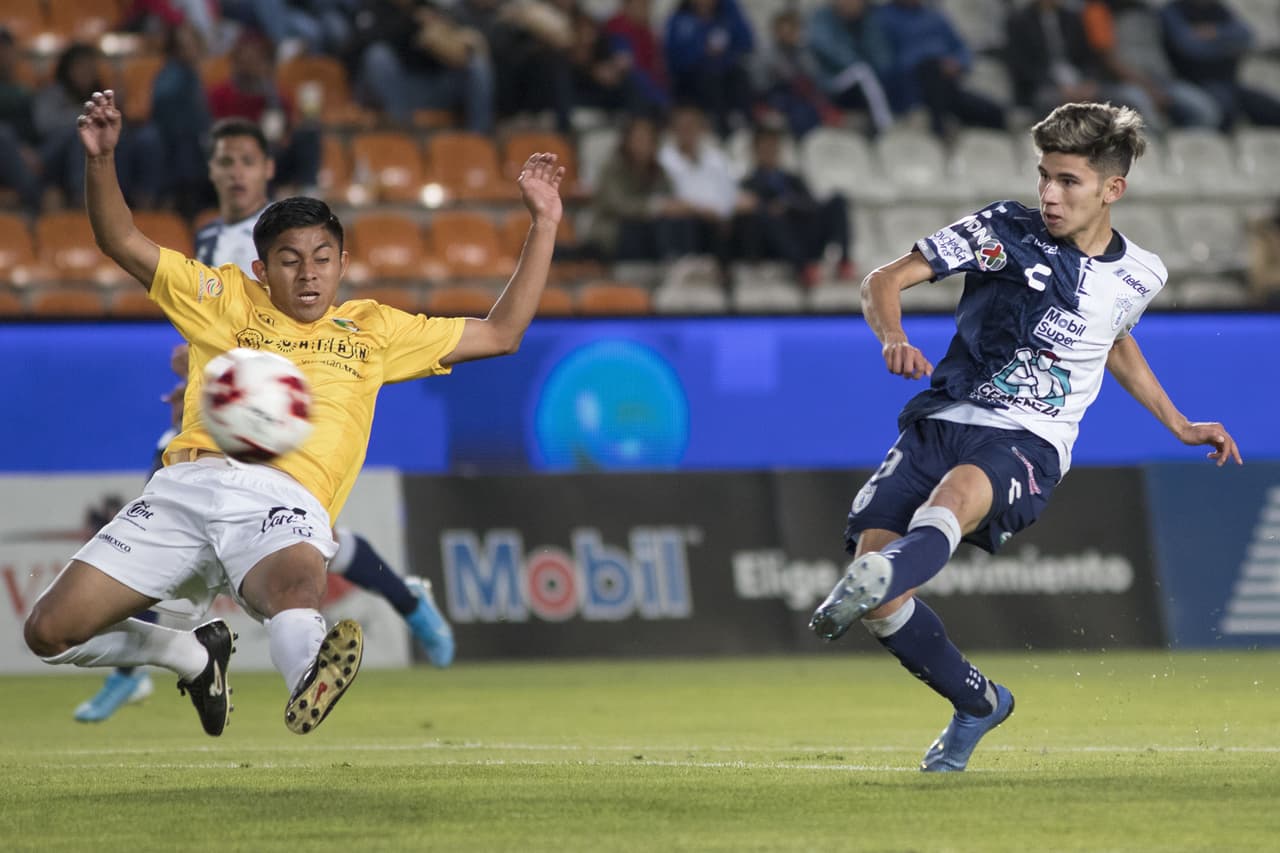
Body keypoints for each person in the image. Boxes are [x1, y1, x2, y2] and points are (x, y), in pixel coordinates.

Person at [25, 89, 564, 737]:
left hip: (284, 495)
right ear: (261, 267)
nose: (309, 275)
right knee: (49, 631)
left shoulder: (374, 330)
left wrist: (545, 223)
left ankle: (311, 670)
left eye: (323, 259)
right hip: (186, 483)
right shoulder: (223, 298)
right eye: (290, 260)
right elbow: (120, 239)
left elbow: (501, 332)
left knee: (295, 585)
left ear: (342, 264)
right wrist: (102, 160)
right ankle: (190, 654)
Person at [808, 102, 1242, 772]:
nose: (1049, 193)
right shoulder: (1000, 230)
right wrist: (893, 336)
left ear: (1111, 190)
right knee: (884, 603)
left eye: (1067, 180)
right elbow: (883, 279)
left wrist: (1179, 422)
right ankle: (978, 701)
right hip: (944, 414)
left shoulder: (1141, 273)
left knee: (953, 501)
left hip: (1031, 436)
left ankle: (883, 572)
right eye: (1044, 175)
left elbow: (1113, 340)